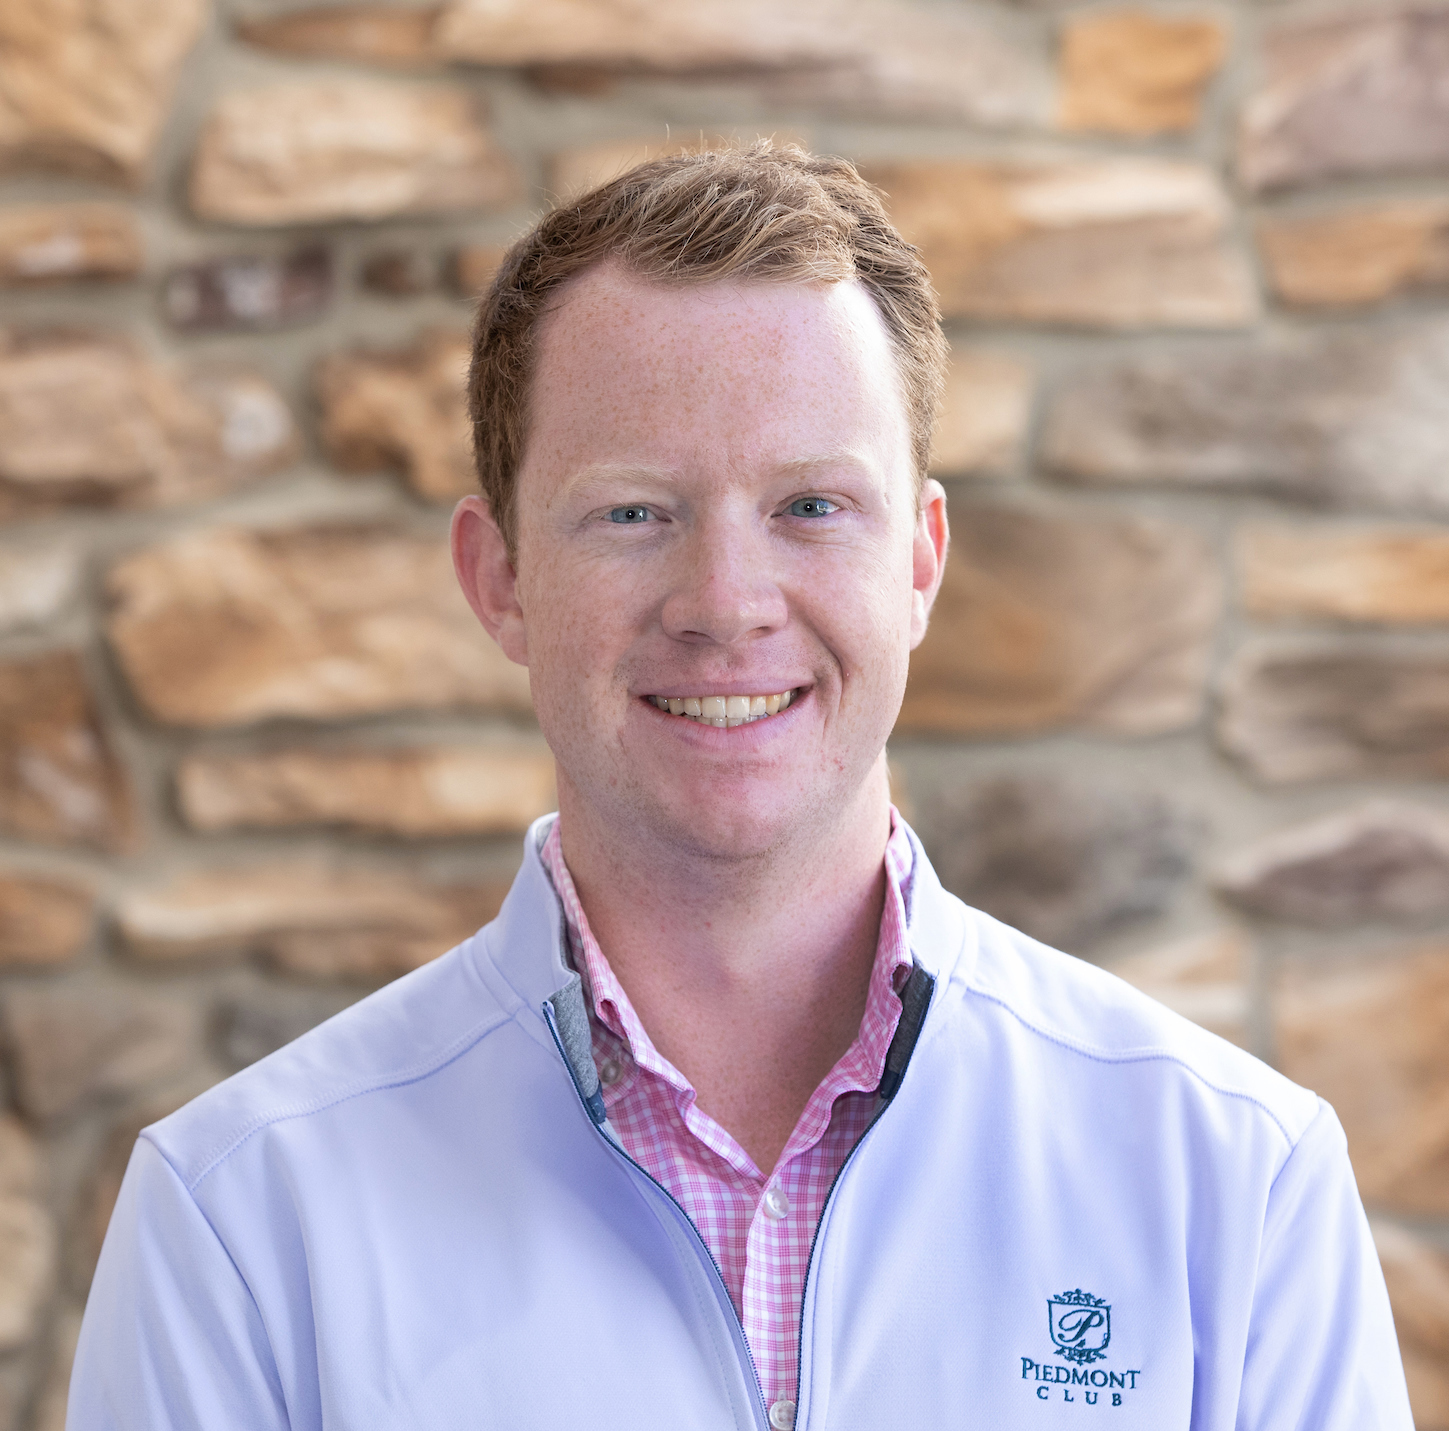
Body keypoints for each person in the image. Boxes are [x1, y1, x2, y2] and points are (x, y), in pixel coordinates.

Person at [69, 144, 1410, 1430]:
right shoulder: (245, 1221)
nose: (724, 602)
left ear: (921, 561)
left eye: (811, 506)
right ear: (502, 580)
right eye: (633, 512)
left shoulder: (1232, 1183)